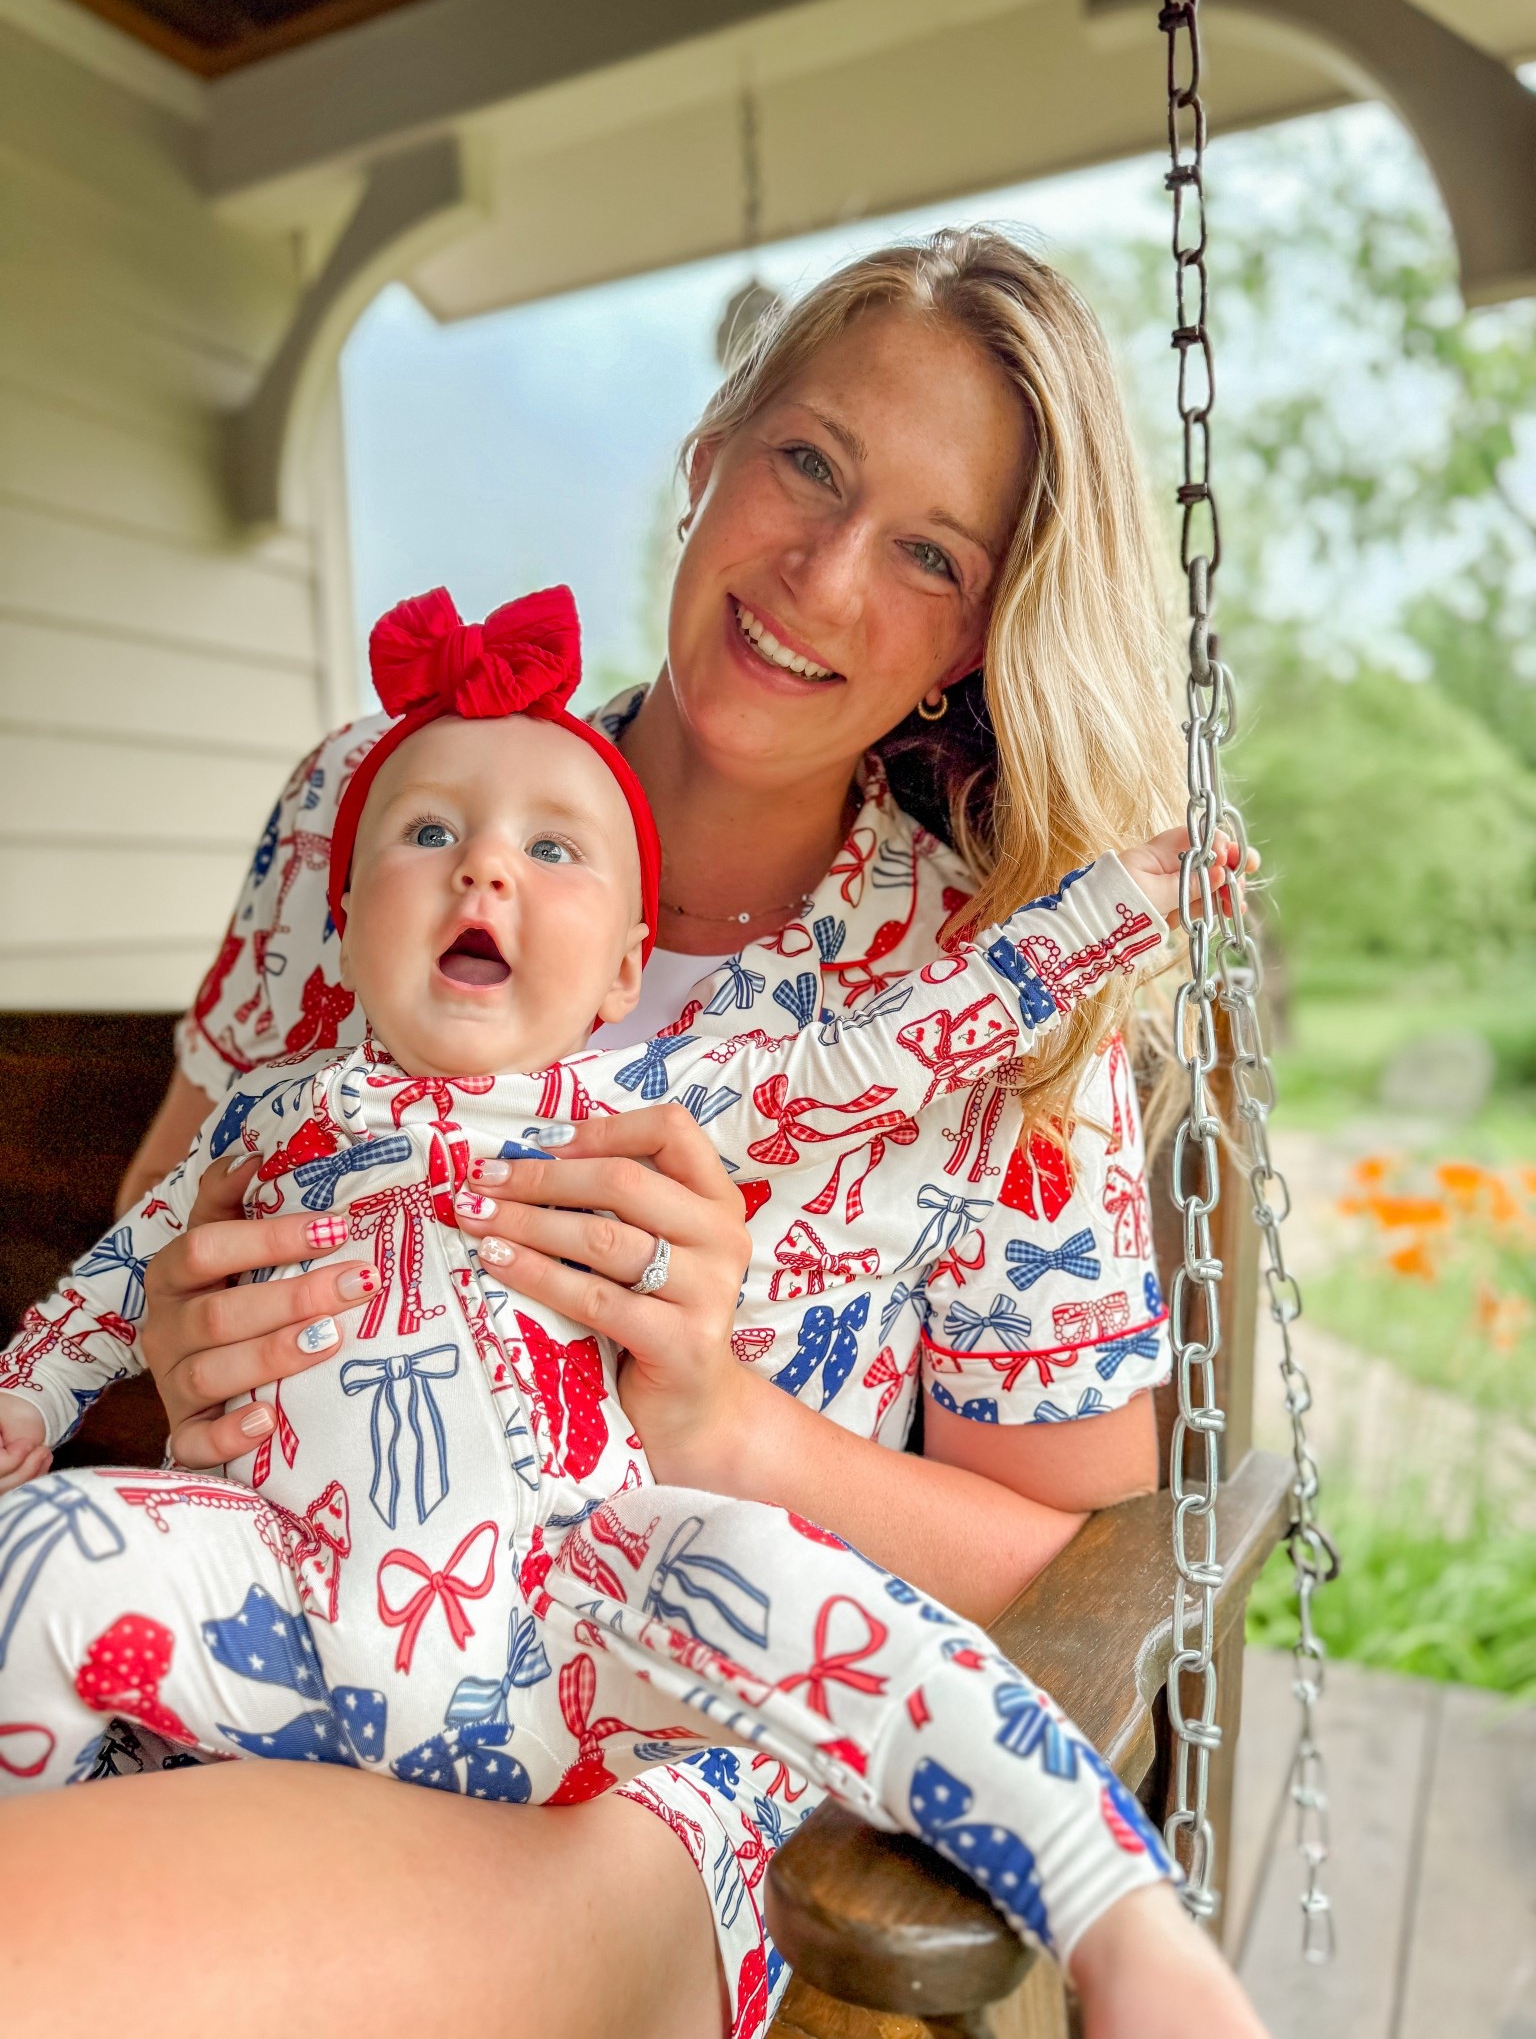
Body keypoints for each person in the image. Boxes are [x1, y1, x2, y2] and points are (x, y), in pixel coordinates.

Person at [0, 229, 1267, 2039]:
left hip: (649, 1739)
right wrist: (190, 1340)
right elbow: (167, 1213)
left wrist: (723, 1423)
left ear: (978, 635)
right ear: (710, 451)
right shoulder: (380, 798)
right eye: (808, 463)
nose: (822, 577)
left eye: (927, 552)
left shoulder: (979, 994)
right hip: (243, 1619)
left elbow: (1074, 1570)